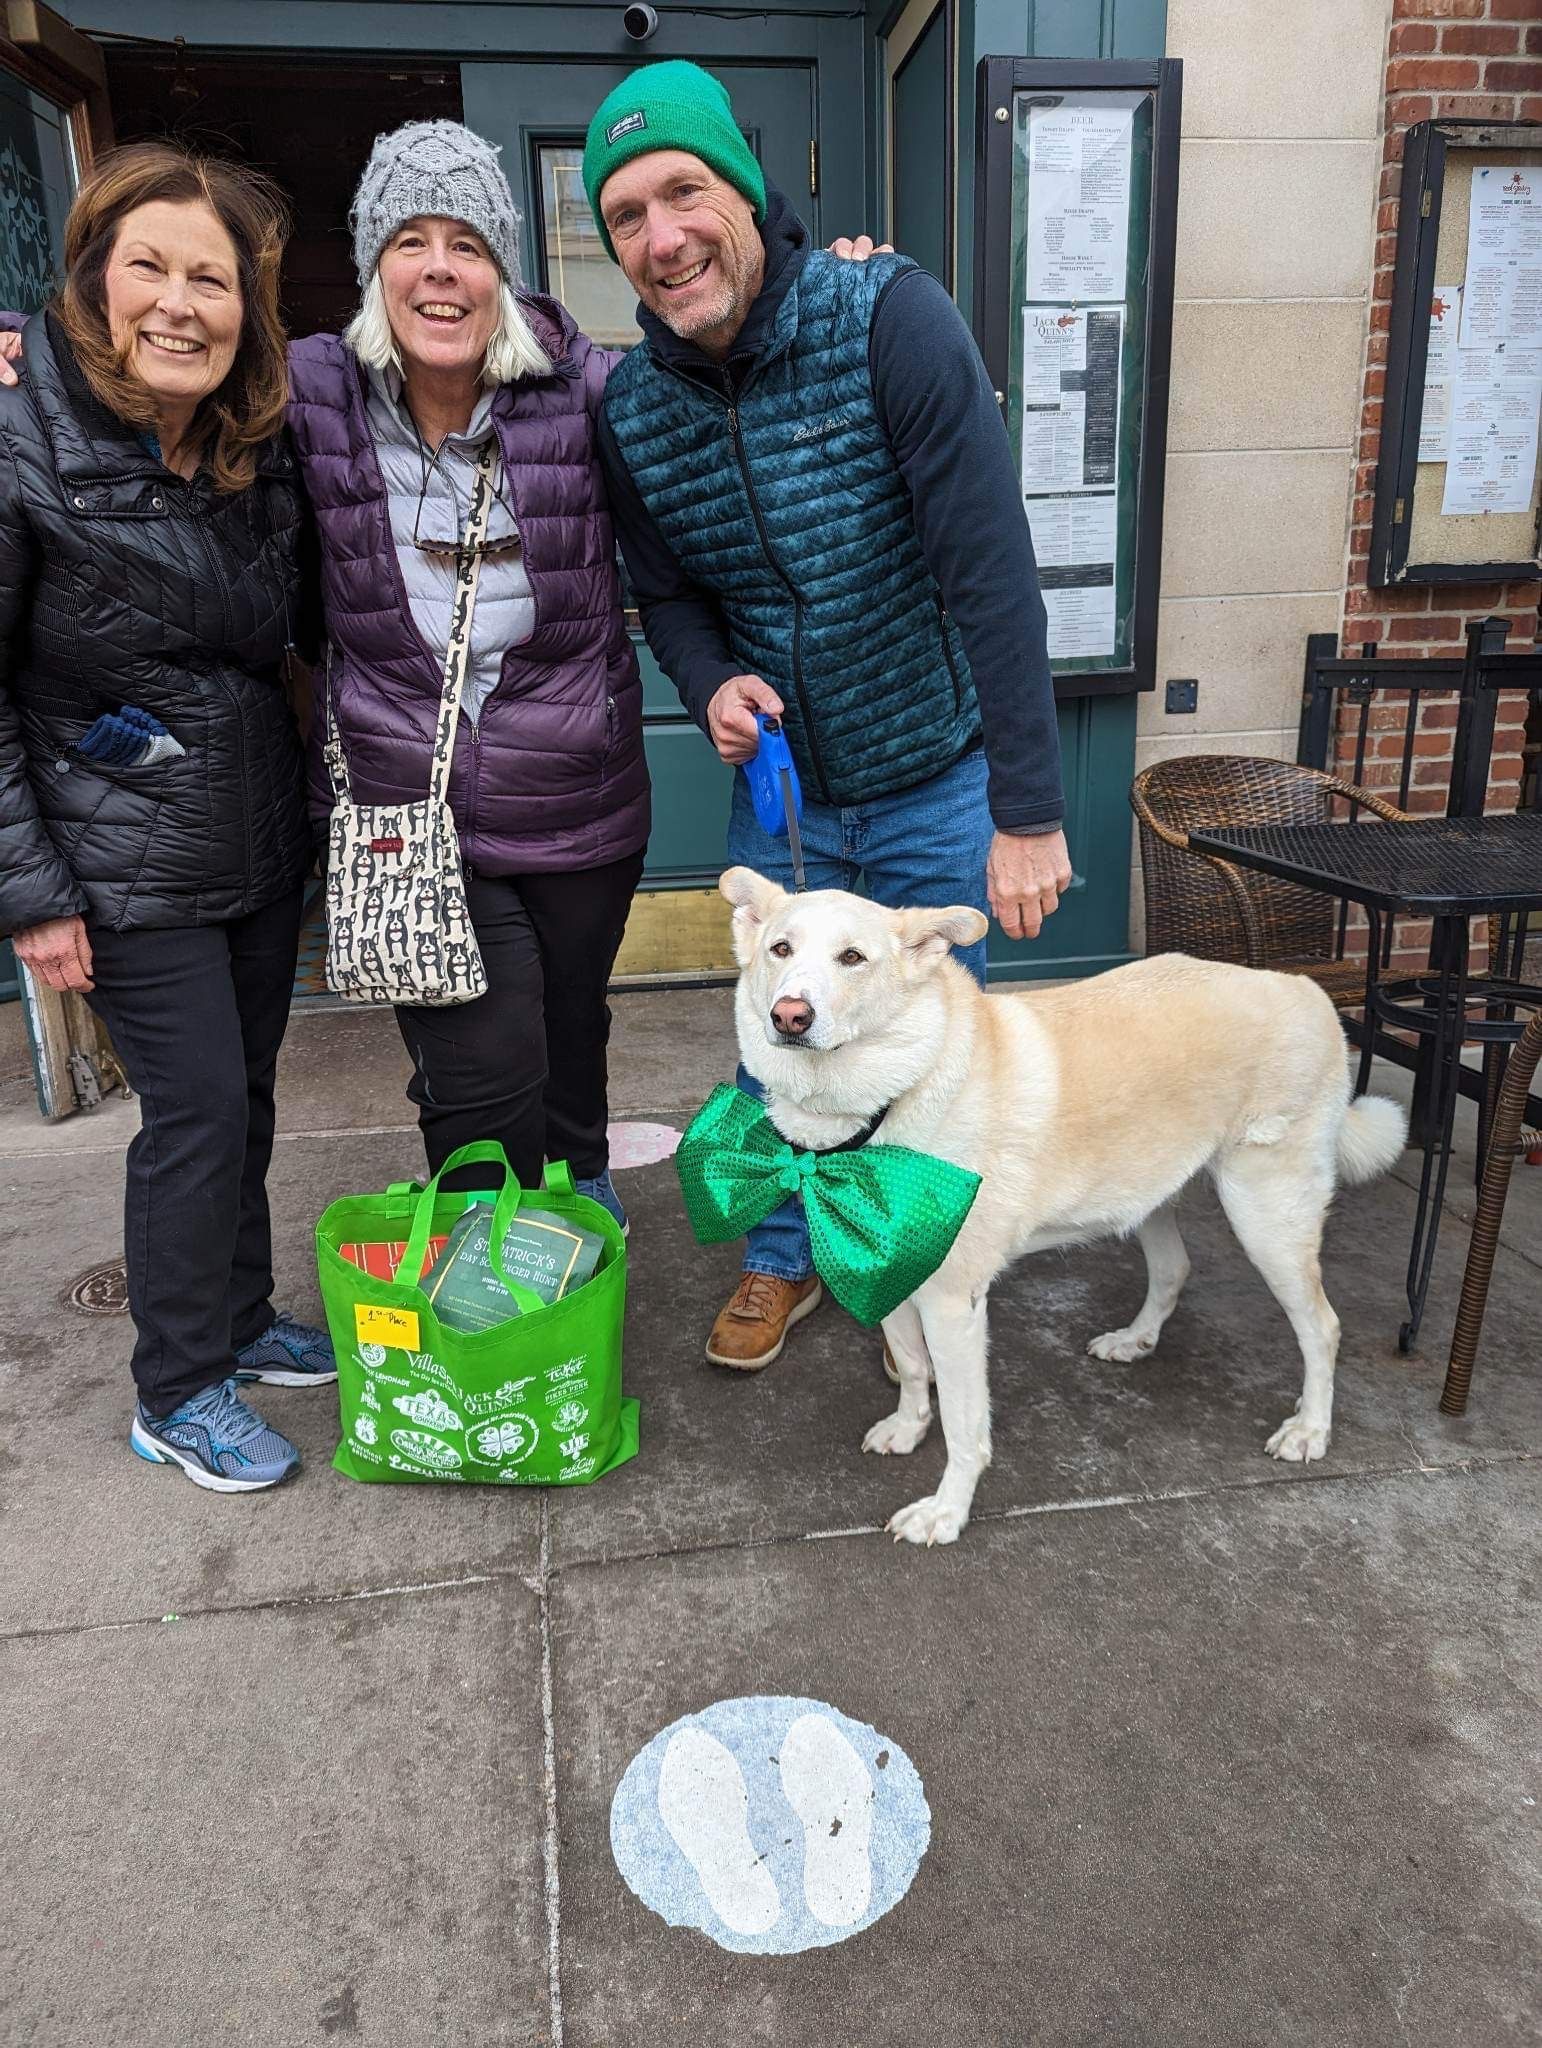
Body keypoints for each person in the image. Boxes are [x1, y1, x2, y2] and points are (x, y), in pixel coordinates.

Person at [583, 61, 1072, 1372]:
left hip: (931, 771)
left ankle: (914, 1268)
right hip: (788, 788)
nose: (663, 235)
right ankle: (783, 1262)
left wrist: (1027, 810)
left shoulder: (886, 316)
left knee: (924, 1052)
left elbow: (989, 573)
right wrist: (706, 685)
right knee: (779, 1037)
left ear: (745, 190)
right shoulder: (629, 409)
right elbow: (668, 597)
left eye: (682, 191)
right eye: (625, 216)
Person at [0, 144, 335, 1492]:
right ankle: (176, 1386)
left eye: (212, 279)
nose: (179, 303)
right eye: (149, 266)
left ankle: (238, 1320)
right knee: (193, 1113)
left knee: (243, 1099)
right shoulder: (21, 437)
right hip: (115, 850)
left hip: (249, 834)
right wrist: (28, 892)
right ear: (90, 278)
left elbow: (298, 627)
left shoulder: (253, 447)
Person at [284, 122, 651, 1227]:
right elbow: (157, 374)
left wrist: (833, 293)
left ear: (501, 270)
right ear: (372, 266)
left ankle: (580, 1188)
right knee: (484, 1067)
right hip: (409, 801)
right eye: (410, 240)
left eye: (468, 243)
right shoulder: (309, 393)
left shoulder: (583, 388)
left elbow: (723, 388)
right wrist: (27, 347)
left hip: (577, 787)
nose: (440, 268)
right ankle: (493, 1255)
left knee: (570, 1022)